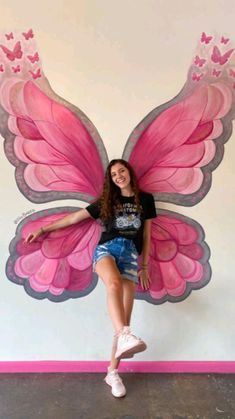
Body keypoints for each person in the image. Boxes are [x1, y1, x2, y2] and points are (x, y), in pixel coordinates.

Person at [25, 159, 157, 398]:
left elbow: (147, 234)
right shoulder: (107, 202)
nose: (118, 176)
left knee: (123, 321)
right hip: (106, 249)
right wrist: (44, 229)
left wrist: (144, 266)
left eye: (121, 171)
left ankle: (112, 373)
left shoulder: (145, 200)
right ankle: (126, 337)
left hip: (130, 255)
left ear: (129, 172)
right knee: (114, 286)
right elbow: (75, 218)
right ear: (111, 180)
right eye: (114, 174)